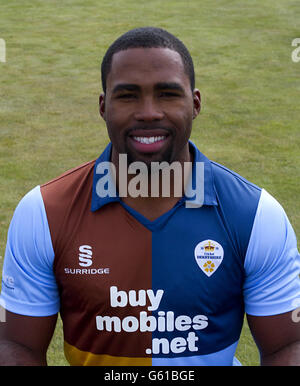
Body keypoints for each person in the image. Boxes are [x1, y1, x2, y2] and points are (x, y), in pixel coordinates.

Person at [0, 27, 299, 366]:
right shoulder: (43, 212)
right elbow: (18, 346)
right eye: (127, 95)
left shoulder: (256, 214)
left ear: (195, 103)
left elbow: (287, 347)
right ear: (103, 106)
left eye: (167, 94)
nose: (148, 112)